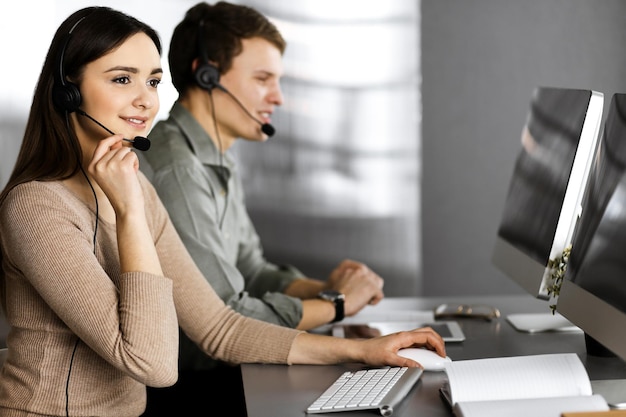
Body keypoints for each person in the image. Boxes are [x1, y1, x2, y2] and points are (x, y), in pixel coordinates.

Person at [0, 6, 445, 417]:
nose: (145, 100)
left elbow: (219, 327)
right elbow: (152, 363)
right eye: (122, 79)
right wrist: (131, 214)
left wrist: (359, 352)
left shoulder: (132, 189)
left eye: (153, 81)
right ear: (67, 94)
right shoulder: (38, 206)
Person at [143, 1, 386, 368]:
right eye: (262, 79)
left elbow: (251, 270)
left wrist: (325, 289)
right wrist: (337, 306)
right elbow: (226, 318)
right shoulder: (178, 172)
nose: (279, 97)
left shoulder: (218, 158)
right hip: (196, 384)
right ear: (207, 77)